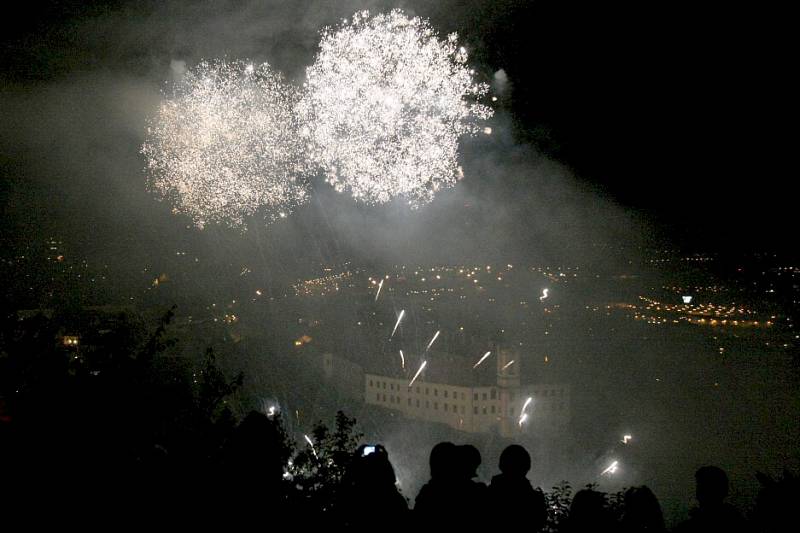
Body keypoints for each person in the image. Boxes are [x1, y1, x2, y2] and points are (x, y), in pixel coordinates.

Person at [489, 444, 547, 531]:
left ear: (501, 465)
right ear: (527, 467)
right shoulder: (535, 499)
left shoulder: (487, 494)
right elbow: (539, 524)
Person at [674, 466, 748, 533]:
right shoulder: (737, 521)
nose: (698, 492)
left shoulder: (689, 527)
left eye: (701, 486)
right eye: (699, 486)